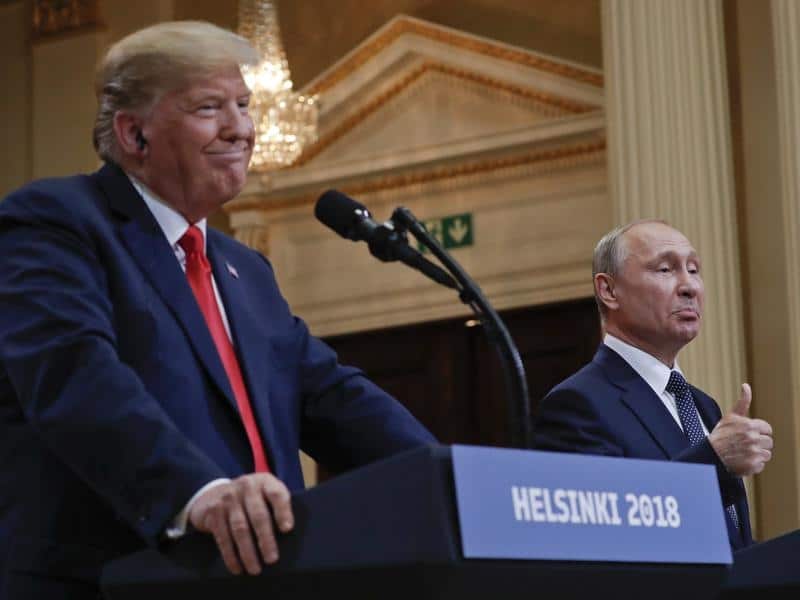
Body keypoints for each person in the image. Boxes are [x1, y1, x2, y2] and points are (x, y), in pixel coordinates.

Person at [0, 21, 435, 598]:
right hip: (114, 578)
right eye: (209, 108)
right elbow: (76, 377)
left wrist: (449, 476)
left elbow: (329, 394)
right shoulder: (55, 222)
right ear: (134, 134)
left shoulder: (244, 269)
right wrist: (199, 492)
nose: (241, 129)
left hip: (258, 577)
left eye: (244, 105)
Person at [532, 220, 773, 550]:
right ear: (609, 290)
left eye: (694, 269)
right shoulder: (576, 405)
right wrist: (714, 461)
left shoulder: (703, 405)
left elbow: (726, 542)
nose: (690, 287)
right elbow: (606, 532)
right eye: (665, 269)